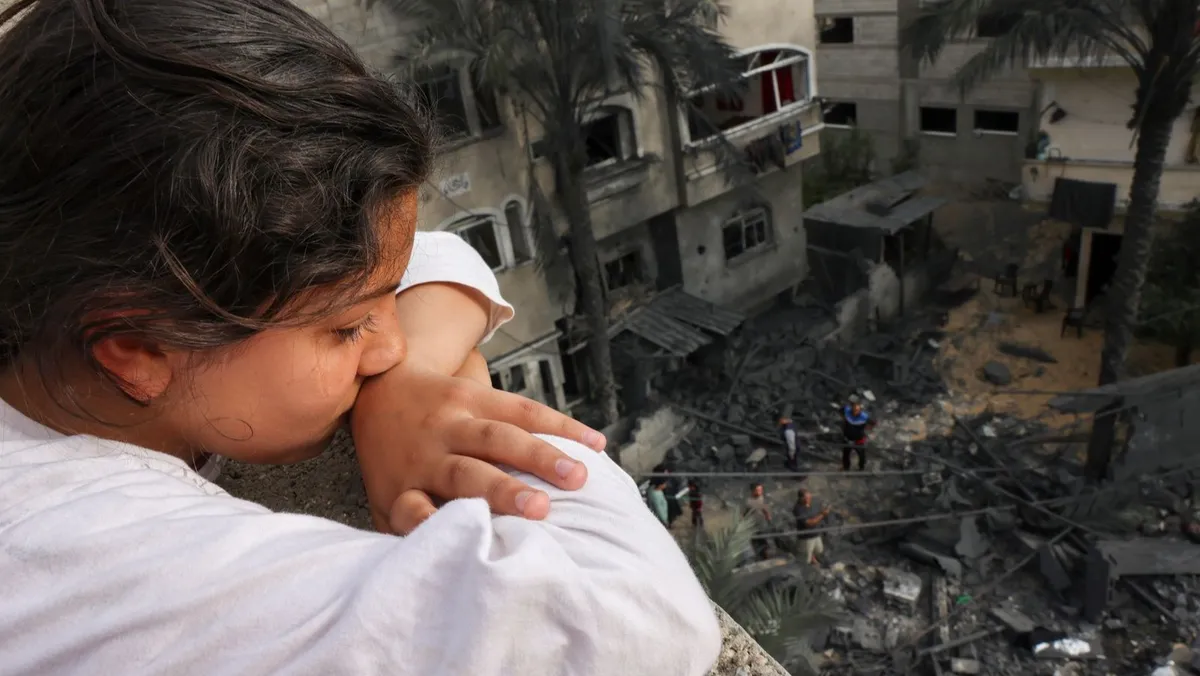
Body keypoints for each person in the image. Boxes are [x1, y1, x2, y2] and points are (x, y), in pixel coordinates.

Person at [0, 1, 721, 674]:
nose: (389, 348)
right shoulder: (92, 560)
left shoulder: (60, 309)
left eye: (382, 311)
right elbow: (638, 627)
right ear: (138, 349)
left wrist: (401, 389)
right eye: (346, 329)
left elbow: (439, 256)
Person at [792, 489, 831, 566]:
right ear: (801, 498)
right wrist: (822, 515)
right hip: (806, 538)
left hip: (816, 534)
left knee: (819, 550)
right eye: (807, 498)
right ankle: (804, 568)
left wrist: (824, 510)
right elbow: (809, 523)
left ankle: (813, 557)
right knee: (805, 559)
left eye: (810, 497)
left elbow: (818, 512)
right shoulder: (798, 509)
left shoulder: (811, 504)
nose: (809, 500)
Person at [842, 399, 873, 472]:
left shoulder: (864, 417)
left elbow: (872, 423)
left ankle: (861, 468)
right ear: (852, 408)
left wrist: (867, 428)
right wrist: (844, 419)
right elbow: (841, 410)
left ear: (860, 410)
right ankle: (846, 467)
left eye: (858, 410)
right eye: (854, 409)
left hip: (858, 440)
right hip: (848, 439)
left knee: (861, 455)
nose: (856, 411)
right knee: (846, 454)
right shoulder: (847, 411)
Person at [746, 483, 772, 560]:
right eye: (758, 490)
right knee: (755, 545)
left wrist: (768, 516)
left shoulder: (762, 499)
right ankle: (759, 559)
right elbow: (744, 513)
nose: (760, 492)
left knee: (765, 545)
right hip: (753, 527)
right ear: (753, 491)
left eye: (761, 490)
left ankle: (767, 559)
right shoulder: (748, 501)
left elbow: (765, 510)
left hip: (762, 526)